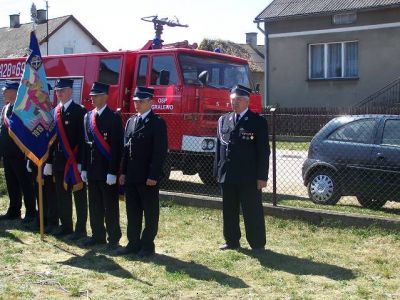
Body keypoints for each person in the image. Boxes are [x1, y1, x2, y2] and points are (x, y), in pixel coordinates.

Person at [214, 84, 270, 251]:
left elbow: (263, 151)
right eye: (233, 100)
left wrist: (262, 177)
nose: (235, 103)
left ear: (247, 101)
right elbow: (219, 148)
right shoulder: (224, 120)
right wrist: (217, 172)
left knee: (252, 210)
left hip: (248, 176)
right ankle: (231, 241)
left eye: (239, 100)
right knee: (228, 210)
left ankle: (257, 244)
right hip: (228, 174)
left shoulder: (257, 121)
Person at [116, 86, 168, 257]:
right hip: (131, 175)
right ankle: (133, 243)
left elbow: (159, 152)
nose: (137, 104)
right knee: (133, 212)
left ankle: (147, 245)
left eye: (141, 101)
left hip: (147, 177)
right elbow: (125, 149)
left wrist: (153, 175)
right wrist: (122, 172)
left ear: (150, 102)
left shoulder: (157, 123)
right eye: (135, 101)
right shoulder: (131, 121)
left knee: (150, 212)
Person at [43, 79, 88, 239]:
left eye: (62, 90)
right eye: (57, 91)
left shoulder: (80, 111)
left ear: (70, 91)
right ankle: (66, 226)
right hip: (59, 160)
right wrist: (48, 162)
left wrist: (82, 163)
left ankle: (80, 229)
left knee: (79, 196)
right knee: (61, 195)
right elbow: (51, 140)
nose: (59, 93)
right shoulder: (55, 111)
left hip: (74, 161)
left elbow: (83, 140)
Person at [81, 82, 123, 249]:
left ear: (105, 96)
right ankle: (97, 235)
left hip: (107, 171)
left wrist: (113, 171)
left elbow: (117, 147)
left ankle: (113, 238)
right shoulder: (87, 117)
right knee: (95, 205)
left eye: (96, 95)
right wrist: (83, 167)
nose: (93, 98)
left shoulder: (113, 118)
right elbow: (85, 144)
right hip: (92, 169)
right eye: (92, 96)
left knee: (110, 206)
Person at [0, 80, 36, 223]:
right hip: (8, 154)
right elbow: (3, 131)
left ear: (15, 92)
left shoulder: (23, 109)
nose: (3, 93)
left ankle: (31, 212)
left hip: (20, 155)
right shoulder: (5, 108)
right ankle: (14, 210)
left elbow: (28, 133)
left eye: (6, 91)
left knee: (26, 184)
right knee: (11, 184)